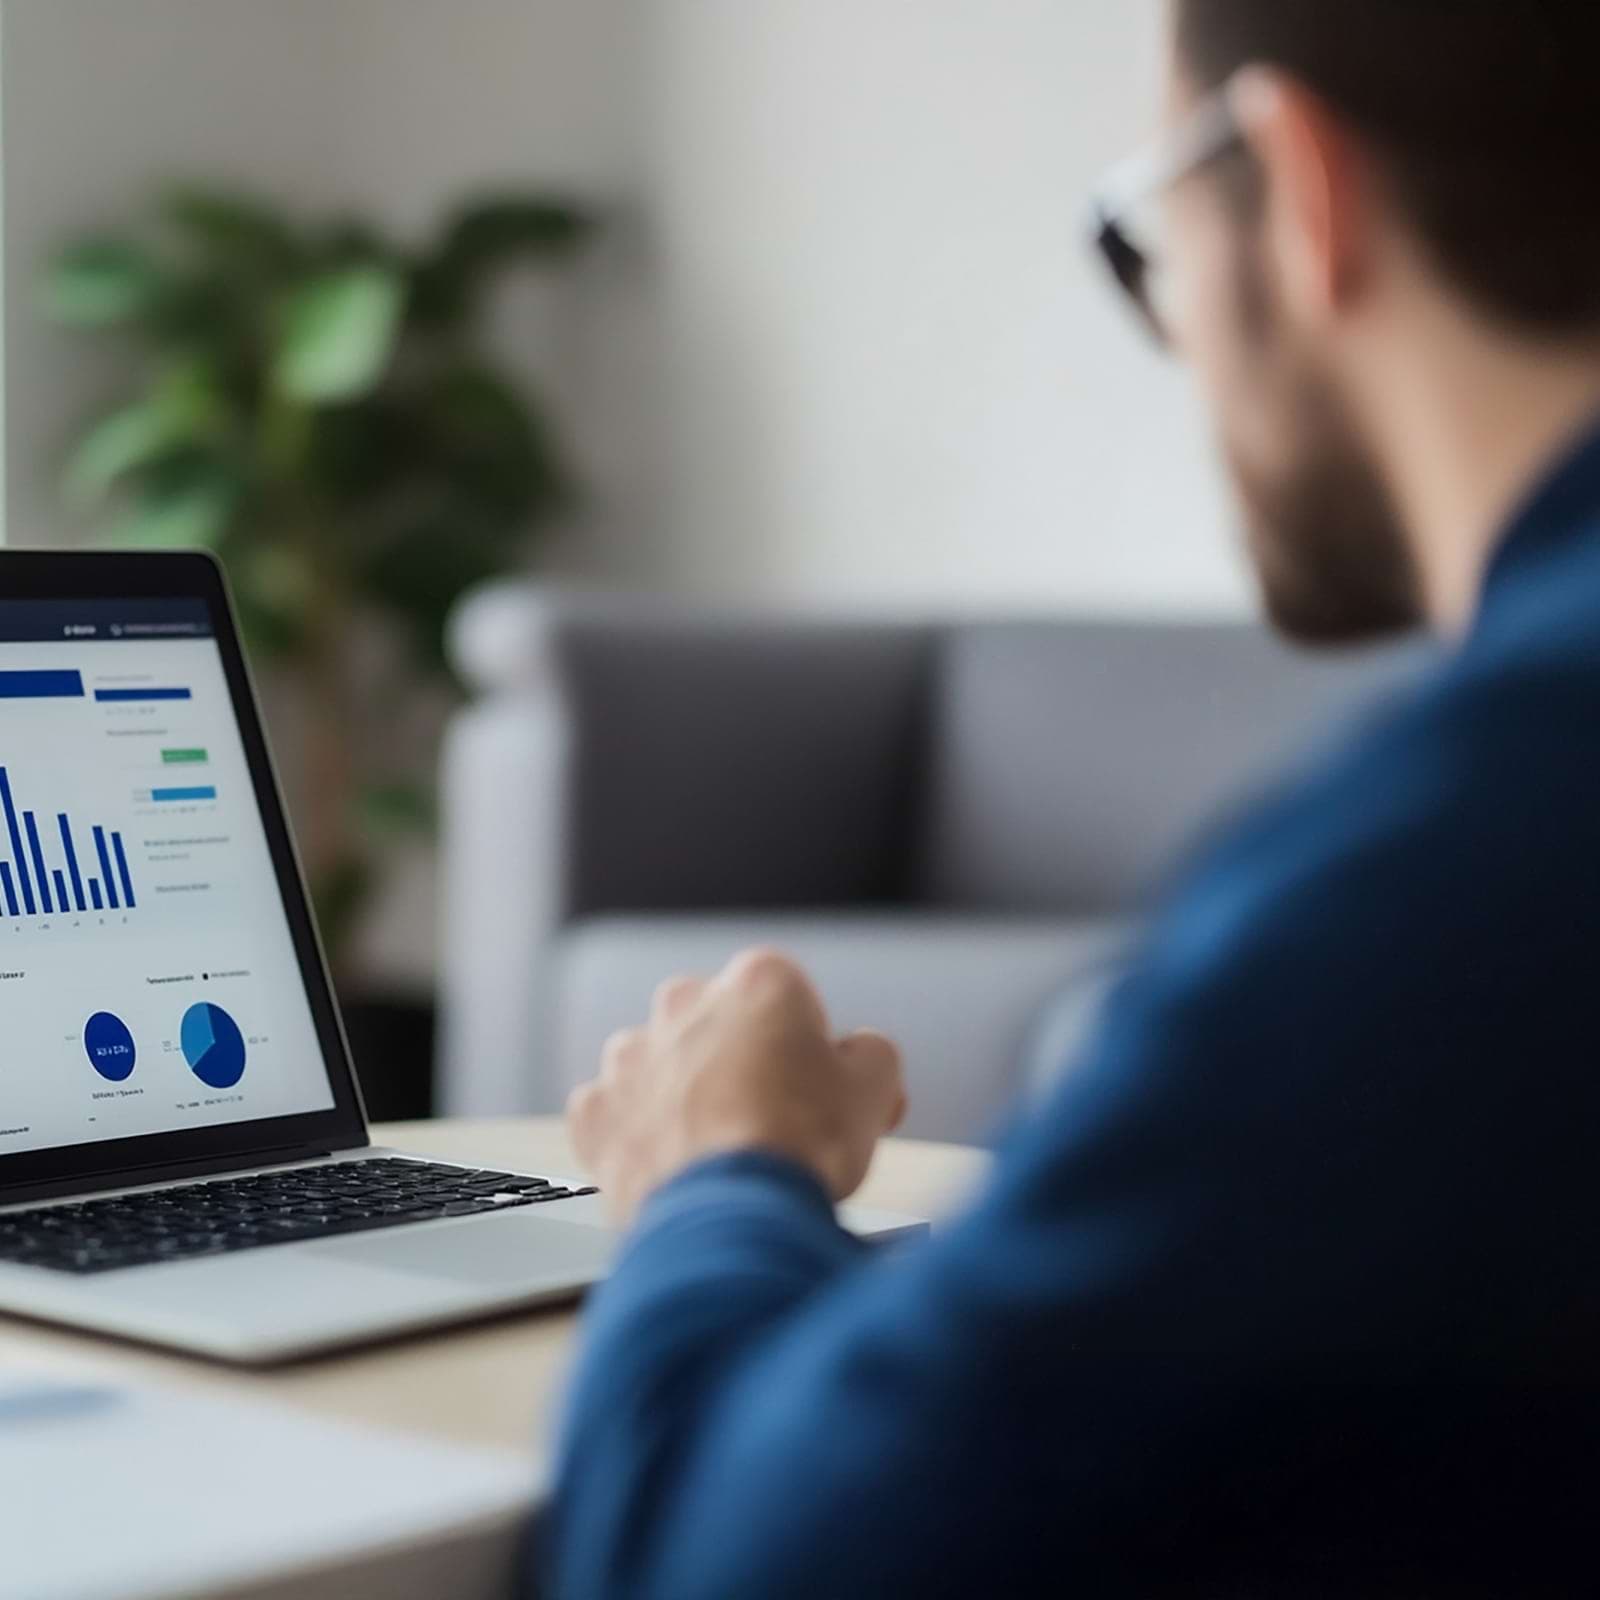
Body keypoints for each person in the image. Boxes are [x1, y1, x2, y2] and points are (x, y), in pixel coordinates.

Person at [540, 3, 1600, 1594]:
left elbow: (722, 1568)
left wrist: (719, 1172)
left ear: (1303, 192)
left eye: (1150, 241)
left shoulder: (1443, 885)